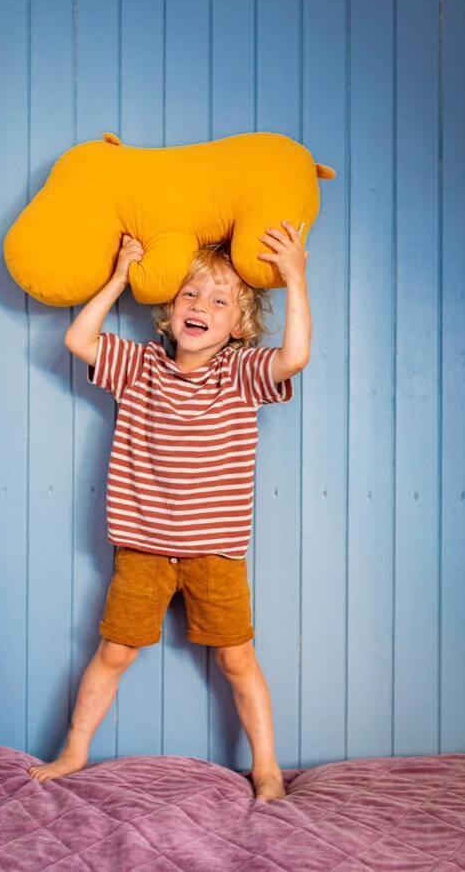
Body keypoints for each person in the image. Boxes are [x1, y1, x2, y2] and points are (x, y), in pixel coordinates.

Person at [28, 223, 311, 802]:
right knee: (112, 652)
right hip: (143, 550)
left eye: (218, 300)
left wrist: (296, 279)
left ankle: (267, 769)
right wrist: (117, 278)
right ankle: (75, 749)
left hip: (216, 553)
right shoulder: (140, 367)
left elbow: (296, 356)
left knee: (237, 659)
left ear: (240, 326)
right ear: (168, 310)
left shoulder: (240, 374)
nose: (200, 306)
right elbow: (80, 340)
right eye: (189, 294)